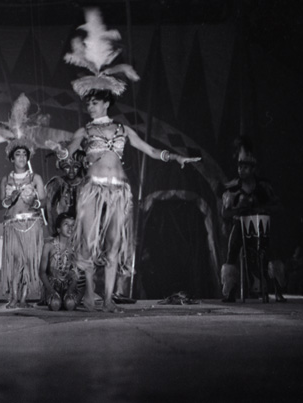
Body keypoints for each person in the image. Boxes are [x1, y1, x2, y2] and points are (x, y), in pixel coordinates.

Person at [47, 9, 200, 312]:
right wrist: (61, 151)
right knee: (89, 243)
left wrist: (176, 157)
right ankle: (89, 295)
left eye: (94, 101)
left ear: (106, 101)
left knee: (114, 244)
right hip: (92, 190)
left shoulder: (123, 130)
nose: (89, 106)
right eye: (88, 103)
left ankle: (107, 299)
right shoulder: (84, 131)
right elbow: (69, 151)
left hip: (119, 192)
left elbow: (151, 151)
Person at [220, 138, 285, 303]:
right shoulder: (232, 188)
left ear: (253, 168)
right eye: (239, 166)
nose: (241, 170)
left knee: (273, 251)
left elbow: (278, 206)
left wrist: (261, 208)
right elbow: (225, 213)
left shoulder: (263, 186)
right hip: (240, 225)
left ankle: (278, 290)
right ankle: (230, 291)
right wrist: (239, 210)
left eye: (245, 167)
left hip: (261, 227)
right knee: (232, 252)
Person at [0, 94, 46, 309]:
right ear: (12, 158)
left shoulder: (35, 178)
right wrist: (10, 199)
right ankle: (13, 297)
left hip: (32, 225)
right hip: (12, 224)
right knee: (15, 261)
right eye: (18, 155)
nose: (22, 158)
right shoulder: (5, 180)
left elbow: (43, 201)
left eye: (24, 155)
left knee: (27, 261)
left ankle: (24, 298)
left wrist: (34, 202)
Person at [38, 213, 79, 311]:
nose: (70, 228)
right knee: (55, 304)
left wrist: (70, 290)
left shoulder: (76, 246)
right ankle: (55, 299)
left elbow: (78, 274)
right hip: (52, 285)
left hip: (69, 285)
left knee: (70, 304)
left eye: (73, 225)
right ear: (58, 229)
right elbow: (42, 273)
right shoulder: (49, 246)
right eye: (66, 224)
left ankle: (67, 298)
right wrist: (51, 291)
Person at [45, 150, 85, 236]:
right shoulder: (55, 184)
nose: (71, 171)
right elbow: (49, 212)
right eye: (67, 166)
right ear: (61, 166)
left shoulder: (86, 185)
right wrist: (54, 234)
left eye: (75, 166)